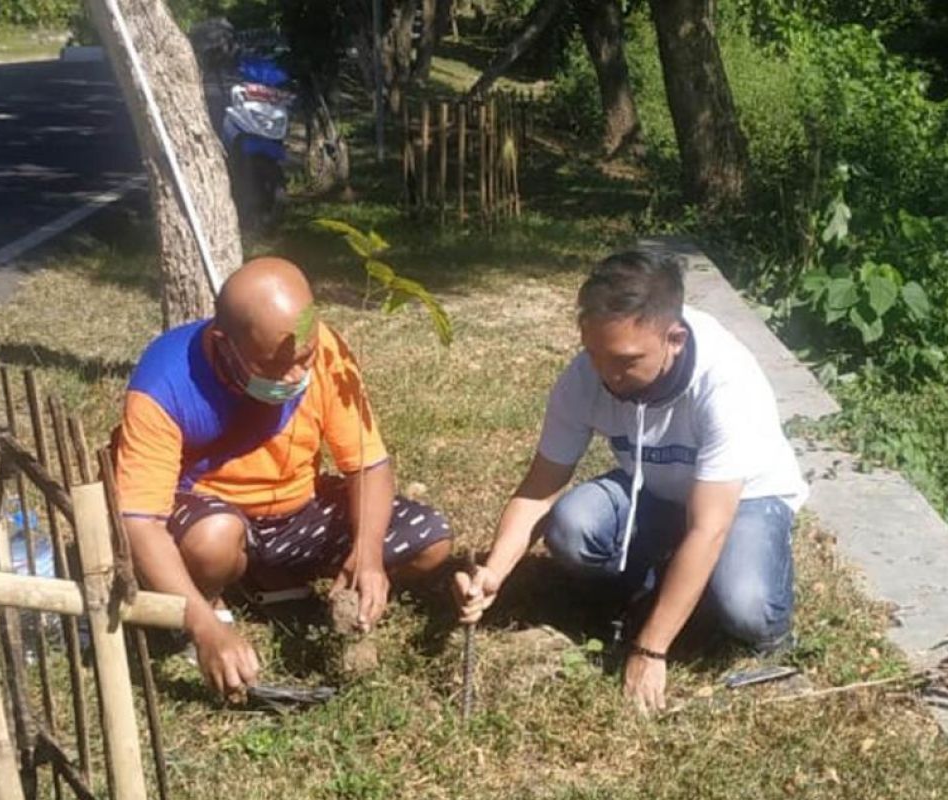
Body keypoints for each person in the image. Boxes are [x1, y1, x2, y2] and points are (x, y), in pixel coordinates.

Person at [454, 250, 807, 714]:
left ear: (674, 339)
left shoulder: (725, 385)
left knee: (747, 605)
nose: (606, 374)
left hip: (744, 501)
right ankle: (669, 583)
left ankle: (755, 625)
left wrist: (650, 649)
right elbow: (541, 486)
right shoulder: (588, 374)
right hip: (657, 493)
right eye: (594, 354)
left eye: (624, 361)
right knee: (572, 526)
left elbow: (709, 527)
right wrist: (494, 572)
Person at [115, 257, 452, 697]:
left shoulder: (324, 347)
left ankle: (270, 581)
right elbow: (141, 522)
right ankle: (210, 597)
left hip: (298, 510)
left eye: (303, 358)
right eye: (273, 367)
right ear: (224, 344)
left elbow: (368, 464)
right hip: (213, 514)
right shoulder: (164, 383)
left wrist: (367, 555)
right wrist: (203, 629)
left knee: (431, 541)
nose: (295, 376)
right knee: (214, 541)